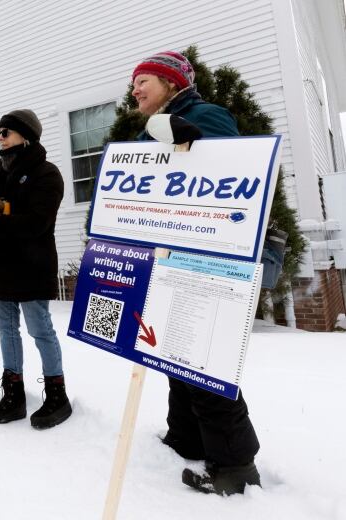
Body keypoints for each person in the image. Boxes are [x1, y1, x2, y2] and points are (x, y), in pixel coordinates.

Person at [131, 51, 261, 495]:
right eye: (134, 84)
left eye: (144, 80)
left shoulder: (207, 115)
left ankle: (235, 466)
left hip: (204, 263)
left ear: (172, 83)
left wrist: (193, 145)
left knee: (205, 362)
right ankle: (185, 437)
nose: (135, 89)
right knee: (174, 356)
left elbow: (233, 174)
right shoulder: (153, 128)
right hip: (166, 260)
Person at [0, 109, 72, 430]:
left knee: (40, 330)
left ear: (26, 136)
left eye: (6, 132)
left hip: (32, 266)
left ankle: (58, 395)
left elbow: (36, 223)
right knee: (6, 331)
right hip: (1, 266)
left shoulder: (46, 173)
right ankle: (14, 395)